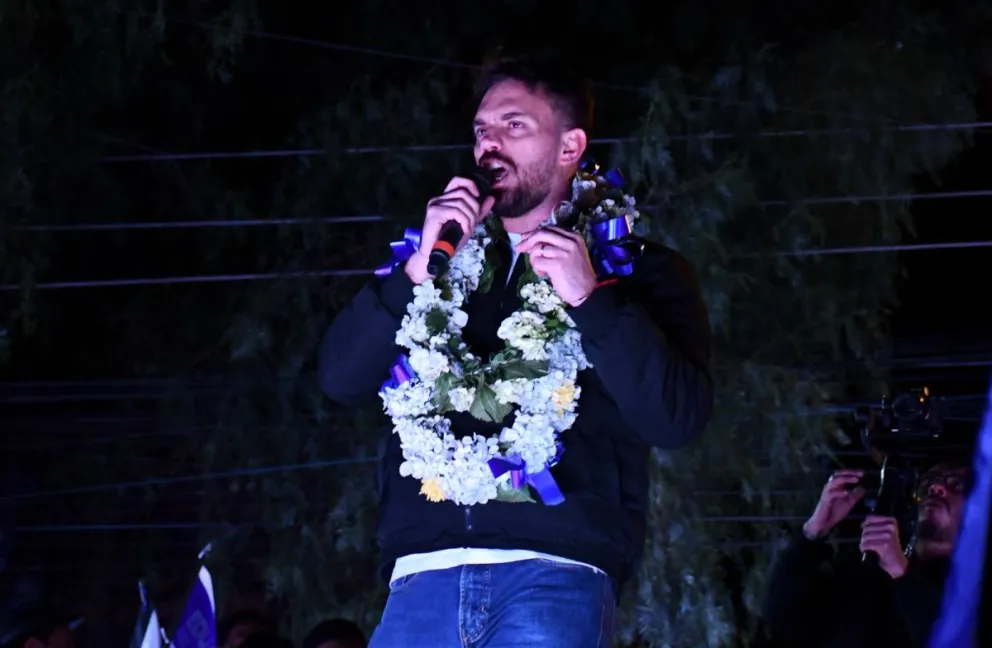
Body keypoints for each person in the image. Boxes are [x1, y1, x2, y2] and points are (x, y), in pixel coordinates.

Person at [319, 56, 713, 647]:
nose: (489, 145)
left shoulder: (638, 270)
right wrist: (414, 272)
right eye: (481, 130)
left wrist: (592, 301)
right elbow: (339, 378)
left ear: (569, 145)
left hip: (555, 575)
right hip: (420, 578)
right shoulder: (435, 263)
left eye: (513, 126)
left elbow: (677, 418)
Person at [763, 460, 970, 648]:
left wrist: (903, 575)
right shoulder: (866, 571)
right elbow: (782, 620)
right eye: (928, 484)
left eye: (957, 485)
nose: (935, 488)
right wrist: (813, 534)